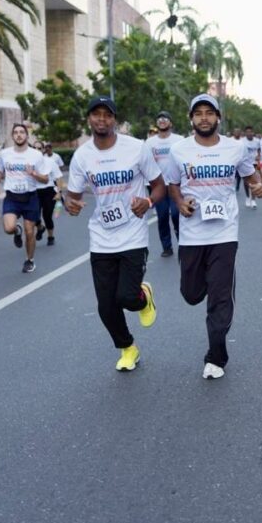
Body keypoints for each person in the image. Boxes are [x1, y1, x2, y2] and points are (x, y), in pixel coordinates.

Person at [165, 94, 262, 379]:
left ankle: (216, 356)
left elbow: (250, 175)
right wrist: (180, 202)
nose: (204, 118)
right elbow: (173, 183)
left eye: (210, 112)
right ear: (191, 119)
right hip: (192, 235)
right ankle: (209, 286)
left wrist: (257, 186)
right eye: (199, 113)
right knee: (191, 293)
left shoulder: (235, 148)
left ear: (218, 117)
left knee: (220, 298)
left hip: (224, 232)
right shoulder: (179, 150)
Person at [64, 96, 162, 371]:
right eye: (97, 115)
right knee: (106, 306)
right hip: (101, 236)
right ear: (89, 119)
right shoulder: (82, 155)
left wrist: (149, 202)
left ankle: (143, 296)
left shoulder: (136, 148)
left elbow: (159, 185)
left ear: (114, 120)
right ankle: (128, 348)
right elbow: (71, 195)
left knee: (127, 297)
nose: (102, 120)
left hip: (133, 234)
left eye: (107, 115)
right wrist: (69, 204)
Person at [0, 123, 50, 273]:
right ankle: (17, 231)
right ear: (12, 136)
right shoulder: (5, 154)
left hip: (30, 198)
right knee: (8, 228)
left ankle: (29, 260)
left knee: (30, 232)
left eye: (22, 132)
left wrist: (34, 174)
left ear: (27, 135)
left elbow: (45, 179)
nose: (19, 135)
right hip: (12, 197)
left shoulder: (36, 155)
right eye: (16, 132)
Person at [143, 110, 184, 257]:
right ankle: (167, 247)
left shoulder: (179, 140)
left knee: (176, 214)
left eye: (165, 118)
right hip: (158, 186)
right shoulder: (150, 143)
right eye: (159, 118)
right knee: (162, 217)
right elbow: (146, 163)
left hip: (175, 184)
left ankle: (183, 243)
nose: (162, 120)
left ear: (170, 122)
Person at [34, 143, 66, 246]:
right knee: (33, 215)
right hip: (34, 192)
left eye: (39, 148)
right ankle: (40, 228)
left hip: (48, 191)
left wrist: (59, 192)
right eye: (34, 148)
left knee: (47, 216)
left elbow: (59, 177)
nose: (37, 150)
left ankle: (50, 236)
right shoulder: (28, 163)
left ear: (43, 150)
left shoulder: (50, 161)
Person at [241, 125, 262, 208]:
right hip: (245, 163)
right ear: (245, 133)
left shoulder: (257, 141)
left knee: (254, 181)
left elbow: (259, 149)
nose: (249, 133)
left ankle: (253, 200)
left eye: (250, 132)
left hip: (254, 163)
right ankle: (247, 197)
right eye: (247, 132)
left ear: (253, 132)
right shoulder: (242, 141)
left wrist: (259, 157)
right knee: (246, 182)